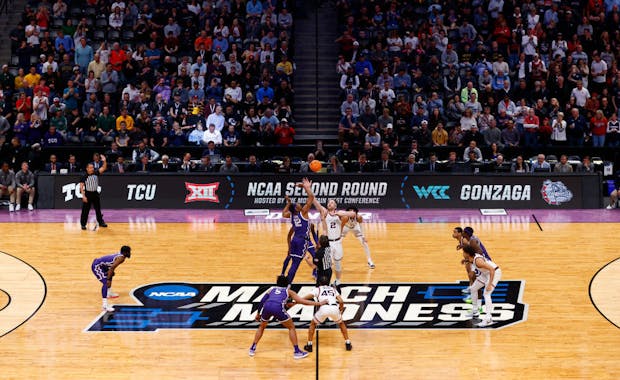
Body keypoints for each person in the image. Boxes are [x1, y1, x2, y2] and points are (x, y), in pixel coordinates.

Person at [249, 275, 326, 359]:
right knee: (291, 327)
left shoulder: (271, 289)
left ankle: (252, 348)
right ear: (287, 284)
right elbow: (302, 301)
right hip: (277, 307)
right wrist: (319, 303)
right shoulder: (289, 291)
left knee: (262, 327)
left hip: (267, 306)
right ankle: (297, 351)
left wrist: (258, 313)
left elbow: (262, 301)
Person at [313, 199, 357, 286]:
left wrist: (341, 213)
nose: (329, 203)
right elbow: (316, 204)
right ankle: (324, 282)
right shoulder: (325, 212)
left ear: (335, 206)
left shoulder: (339, 213)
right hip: (327, 243)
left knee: (337, 262)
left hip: (337, 241)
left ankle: (338, 280)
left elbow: (353, 214)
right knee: (327, 264)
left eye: (332, 202)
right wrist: (309, 191)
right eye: (328, 202)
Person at [303, 276, 352, 353]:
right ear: (328, 283)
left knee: (313, 324)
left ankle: (309, 345)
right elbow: (341, 301)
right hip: (334, 307)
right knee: (341, 324)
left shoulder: (318, 289)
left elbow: (305, 298)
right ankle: (348, 343)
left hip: (324, 308)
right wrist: (340, 309)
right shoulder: (333, 289)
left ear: (319, 283)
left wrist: (299, 300)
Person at [281, 178, 315, 283]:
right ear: (296, 208)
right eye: (297, 204)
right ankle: (288, 282)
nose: (299, 204)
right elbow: (311, 197)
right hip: (302, 240)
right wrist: (306, 187)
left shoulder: (291, 215)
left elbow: (283, 213)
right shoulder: (303, 212)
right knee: (296, 263)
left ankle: (286, 281)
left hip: (295, 239)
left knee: (293, 261)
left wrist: (289, 203)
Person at [462, 244, 502, 327]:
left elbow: (491, 269)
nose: (463, 253)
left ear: (468, 253)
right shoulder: (471, 258)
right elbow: (471, 261)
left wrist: (490, 284)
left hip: (494, 272)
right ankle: (475, 310)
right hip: (485, 273)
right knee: (473, 289)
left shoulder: (478, 261)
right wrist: (465, 261)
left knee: (486, 294)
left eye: (464, 252)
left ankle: (488, 319)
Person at [91, 245, 131, 312]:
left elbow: (111, 267)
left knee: (111, 274)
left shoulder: (121, 255)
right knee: (106, 283)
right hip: (97, 266)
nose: (130, 253)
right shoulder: (121, 258)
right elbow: (112, 268)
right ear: (125, 252)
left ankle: (109, 293)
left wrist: (110, 274)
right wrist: (108, 279)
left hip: (103, 266)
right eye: (128, 252)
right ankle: (104, 306)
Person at [80, 154, 108, 230]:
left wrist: (104, 161)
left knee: (98, 209)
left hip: (95, 193)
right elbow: (81, 187)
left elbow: (104, 168)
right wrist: (83, 196)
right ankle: (83, 224)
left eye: (92, 167)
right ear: (87, 169)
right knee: (85, 211)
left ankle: (101, 222)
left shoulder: (96, 173)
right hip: (88, 194)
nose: (92, 169)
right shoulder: (84, 176)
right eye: (90, 168)